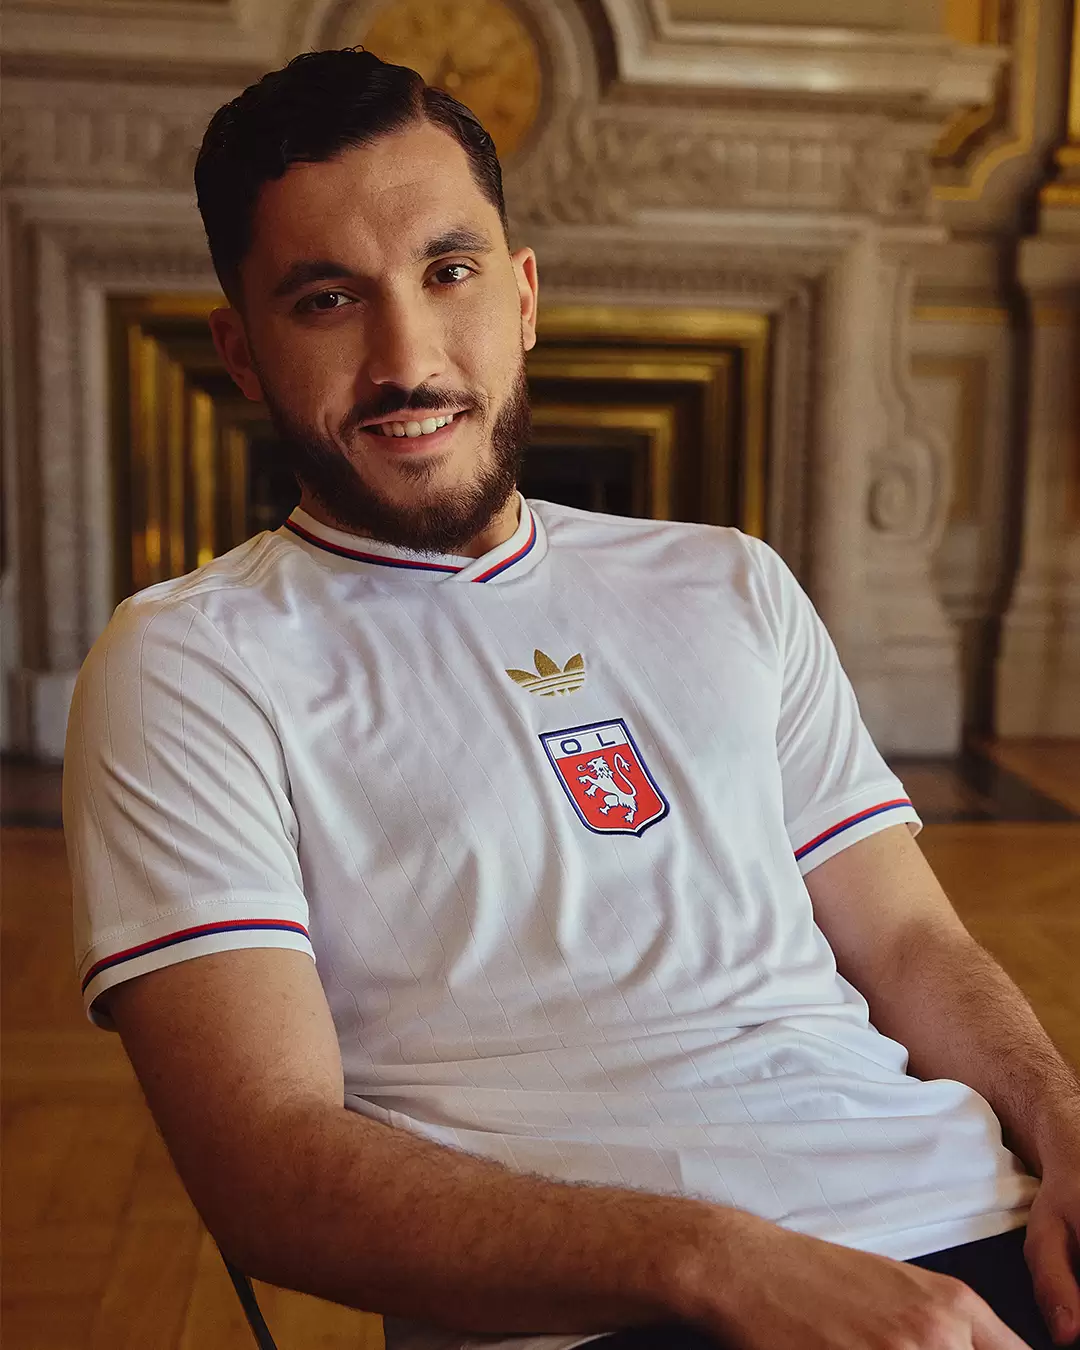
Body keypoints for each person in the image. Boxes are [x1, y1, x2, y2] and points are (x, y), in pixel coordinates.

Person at [63, 48, 1080, 1350]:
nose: (406, 358)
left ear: (525, 294)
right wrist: (720, 1261)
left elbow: (909, 942)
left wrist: (1064, 1126)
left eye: (449, 272)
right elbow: (270, 1165)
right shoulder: (190, 662)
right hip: (619, 1307)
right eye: (326, 300)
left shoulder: (731, 580)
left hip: (979, 1224)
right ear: (242, 353)